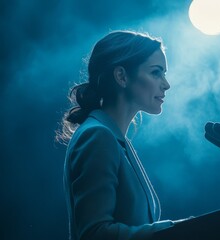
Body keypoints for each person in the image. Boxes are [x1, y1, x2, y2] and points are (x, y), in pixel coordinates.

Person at [57, 30, 175, 240]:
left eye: (164, 73)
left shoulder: (114, 138)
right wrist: (176, 230)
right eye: (156, 72)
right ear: (121, 76)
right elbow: (94, 234)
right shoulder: (97, 136)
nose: (166, 84)